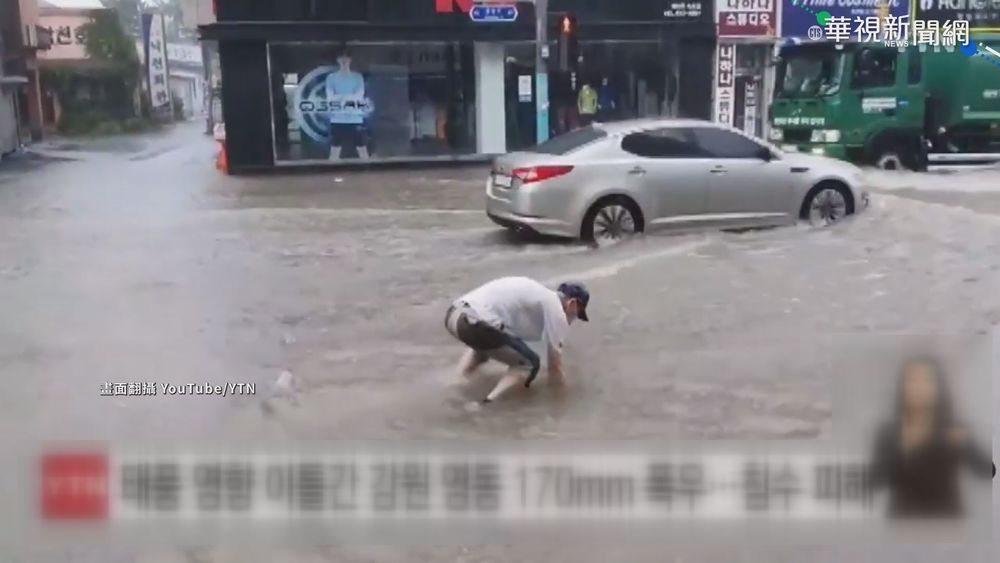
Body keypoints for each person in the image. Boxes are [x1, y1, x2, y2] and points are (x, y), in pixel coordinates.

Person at [869, 356, 993, 518]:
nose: (920, 387)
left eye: (927, 380)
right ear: (902, 387)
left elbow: (987, 472)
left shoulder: (954, 428)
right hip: (902, 523)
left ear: (938, 386)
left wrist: (965, 444)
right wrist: (904, 448)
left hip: (948, 524)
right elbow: (874, 483)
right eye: (913, 380)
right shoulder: (888, 432)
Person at [444, 277, 590, 405]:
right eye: (578, 314)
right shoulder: (556, 310)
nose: (574, 319)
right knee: (530, 364)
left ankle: (456, 383)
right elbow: (555, 368)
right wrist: (562, 399)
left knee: (488, 347)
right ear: (572, 304)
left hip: (454, 316)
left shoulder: (537, 295)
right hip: (474, 324)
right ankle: (485, 404)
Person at [326, 48, 371, 160]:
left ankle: (369, 174)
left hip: (355, 119)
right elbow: (330, 97)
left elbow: (358, 97)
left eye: (346, 57)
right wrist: (349, 98)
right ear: (337, 59)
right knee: (334, 153)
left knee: (363, 152)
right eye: (341, 57)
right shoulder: (331, 78)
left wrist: (340, 98)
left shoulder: (357, 77)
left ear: (350, 59)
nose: (344, 60)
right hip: (337, 119)